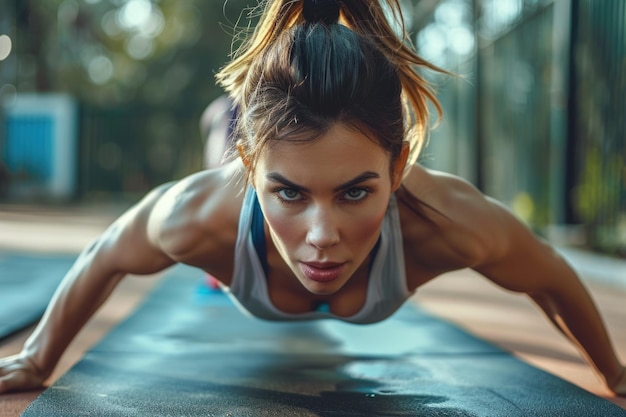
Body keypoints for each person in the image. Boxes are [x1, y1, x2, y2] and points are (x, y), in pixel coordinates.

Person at [0, 0, 624, 396]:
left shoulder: (450, 221)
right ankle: (228, 123)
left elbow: (554, 278)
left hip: (272, 163)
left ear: (400, 163)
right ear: (255, 172)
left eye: (356, 191)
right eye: (290, 194)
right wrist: (36, 357)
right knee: (225, 136)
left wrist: (616, 372)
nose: (322, 235)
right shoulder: (199, 215)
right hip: (238, 156)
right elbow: (106, 253)